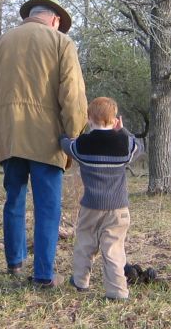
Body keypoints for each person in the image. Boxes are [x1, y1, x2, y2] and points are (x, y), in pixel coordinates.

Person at [0, 0, 88, 288]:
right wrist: (73, 137)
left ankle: (15, 262)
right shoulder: (62, 43)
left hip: (10, 137)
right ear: (56, 20)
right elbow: (72, 95)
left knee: (14, 200)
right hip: (48, 140)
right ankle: (44, 275)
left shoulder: (3, 42)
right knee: (48, 207)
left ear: (30, 16)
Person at [60, 97, 143, 300]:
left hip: (91, 206)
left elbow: (67, 146)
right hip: (118, 207)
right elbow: (139, 147)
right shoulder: (124, 144)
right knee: (113, 249)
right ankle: (117, 291)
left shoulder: (83, 144)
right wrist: (122, 130)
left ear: (89, 118)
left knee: (85, 242)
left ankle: (80, 280)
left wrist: (62, 137)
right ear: (114, 120)